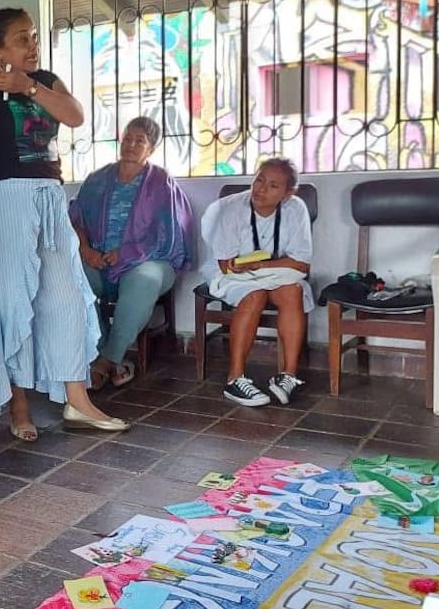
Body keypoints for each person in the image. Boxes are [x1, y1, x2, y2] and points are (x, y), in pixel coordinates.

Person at [0, 7, 130, 442]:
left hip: (49, 198)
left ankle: (78, 400)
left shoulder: (46, 81)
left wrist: (27, 86)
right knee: (12, 303)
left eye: (33, 36)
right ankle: (17, 403)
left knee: (68, 297)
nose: (33, 44)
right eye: (21, 38)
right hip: (2, 200)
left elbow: (74, 116)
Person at [69, 116, 193, 388]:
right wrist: (85, 249)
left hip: (150, 262)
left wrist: (126, 253)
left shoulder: (160, 182)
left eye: (140, 141)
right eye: (127, 138)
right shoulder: (97, 179)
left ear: (151, 148)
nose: (131, 145)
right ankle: (106, 351)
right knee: (70, 274)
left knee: (143, 279)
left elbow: (169, 233)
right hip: (99, 260)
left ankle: (105, 362)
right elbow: (75, 219)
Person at [202, 157, 312, 407]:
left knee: (292, 292)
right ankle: (235, 379)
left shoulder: (296, 208)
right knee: (255, 295)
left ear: (287, 193)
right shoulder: (233, 208)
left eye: (273, 186)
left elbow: (301, 264)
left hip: (270, 268)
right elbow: (226, 265)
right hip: (232, 272)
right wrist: (253, 266)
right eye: (259, 179)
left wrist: (262, 265)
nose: (261, 189)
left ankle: (288, 376)